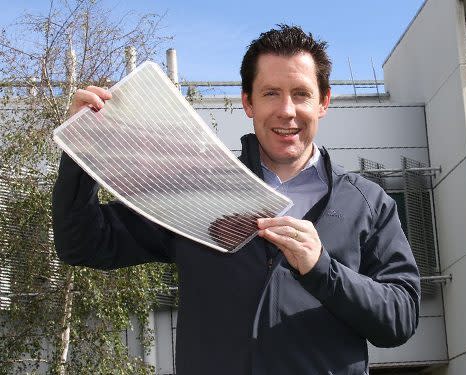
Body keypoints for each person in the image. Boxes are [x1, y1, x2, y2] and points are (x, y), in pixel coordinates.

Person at [53, 25, 420, 375]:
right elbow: (83, 243)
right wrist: (83, 150)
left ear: (323, 102)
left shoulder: (368, 203)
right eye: (270, 93)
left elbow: (400, 318)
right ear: (248, 102)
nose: (287, 111)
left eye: (301, 94)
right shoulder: (201, 189)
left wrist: (322, 269)